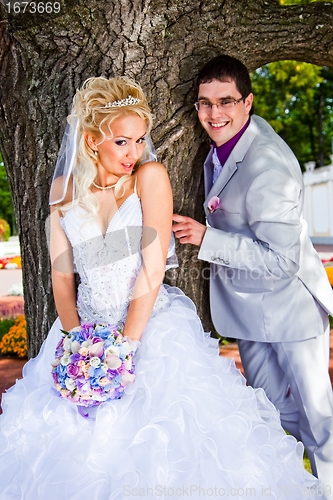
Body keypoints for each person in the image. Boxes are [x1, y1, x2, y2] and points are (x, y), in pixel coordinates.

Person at [0, 75, 327, 500]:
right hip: (80, 334)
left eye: (139, 140)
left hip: (149, 332)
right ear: (93, 138)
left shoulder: (148, 177)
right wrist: (76, 343)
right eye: (122, 141)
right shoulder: (62, 191)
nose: (133, 152)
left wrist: (121, 354)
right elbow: (62, 275)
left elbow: (151, 269)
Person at [172, 54, 333, 499]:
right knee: (272, 415)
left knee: (320, 422)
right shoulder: (224, 146)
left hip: (291, 308)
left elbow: (282, 261)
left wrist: (206, 239)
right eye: (205, 104)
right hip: (249, 309)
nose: (214, 113)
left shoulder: (267, 167)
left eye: (225, 101)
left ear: (248, 102)